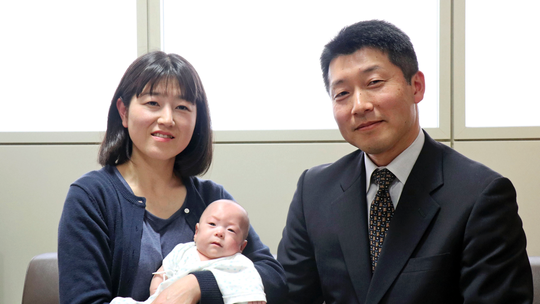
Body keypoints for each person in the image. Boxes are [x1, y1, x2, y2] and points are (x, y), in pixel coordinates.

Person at [277, 20, 533, 304]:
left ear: (416, 86)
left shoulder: (481, 194)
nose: (359, 105)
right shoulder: (313, 190)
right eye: (342, 93)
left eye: (374, 83)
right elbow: (291, 297)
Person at [58, 51, 286, 304]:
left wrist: (195, 285)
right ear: (123, 112)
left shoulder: (213, 199)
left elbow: (274, 280)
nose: (167, 119)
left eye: (182, 107)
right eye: (153, 103)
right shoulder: (91, 197)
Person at [111, 199, 266, 304]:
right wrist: (156, 292)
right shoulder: (183, 251)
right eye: (212, 224)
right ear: (197, 232)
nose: (219, 232)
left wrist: (255, 297)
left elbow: (251, 284)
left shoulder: (238, 262)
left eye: (231, 230)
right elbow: (161, 272)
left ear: (241, 246)